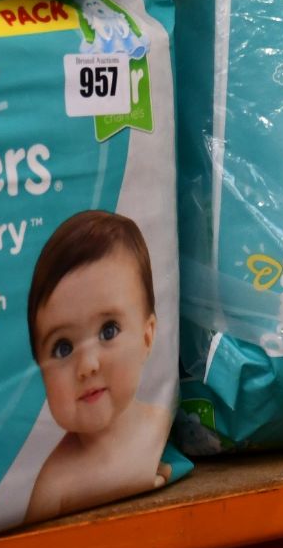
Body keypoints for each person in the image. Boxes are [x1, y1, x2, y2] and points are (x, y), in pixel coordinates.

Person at [25, 209, 172, 523]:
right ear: (39, 367)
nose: (87, 365)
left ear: (147, 337)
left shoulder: (164, 427)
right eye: (62, 347)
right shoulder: (54, 487)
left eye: (109, 330)